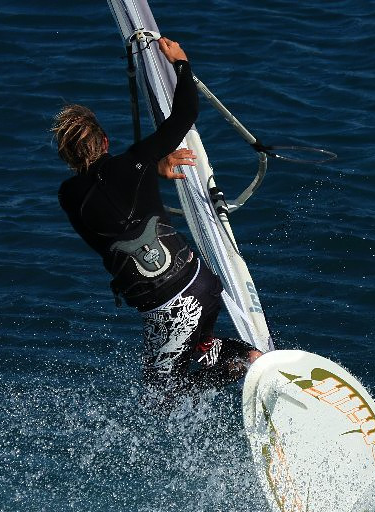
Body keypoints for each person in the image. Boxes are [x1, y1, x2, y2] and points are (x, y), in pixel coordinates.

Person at [53, 37, 261, 399]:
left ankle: (249, 360)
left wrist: (152, 169)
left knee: (161, 397)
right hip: (200, 282)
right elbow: (184, 115)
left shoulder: (68, 196)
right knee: (197, 345)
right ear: (104, 141)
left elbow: (108, 221)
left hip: (168, 304)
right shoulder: (135, 161)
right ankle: (234, 356)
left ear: (67, 156)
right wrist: (181, 63)